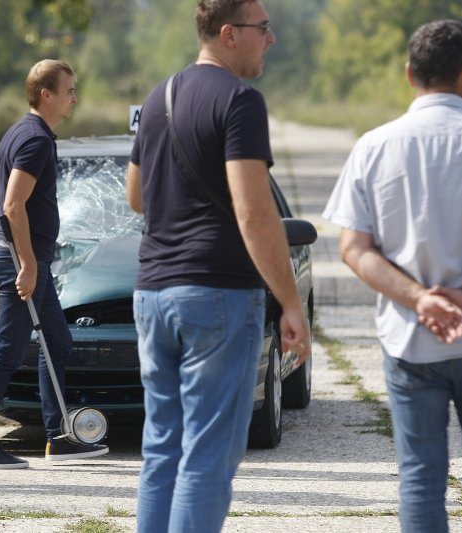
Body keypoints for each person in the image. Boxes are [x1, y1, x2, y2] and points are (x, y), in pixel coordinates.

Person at [125, 1, 311, 530]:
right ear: (229, 34)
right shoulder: (239, 100)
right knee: (208, 456)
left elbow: (135, 196)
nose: (270, 39)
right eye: (263, 29)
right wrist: (291, 303)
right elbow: (256, 213)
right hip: (216, 296)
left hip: (153, 294)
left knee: (163, 449)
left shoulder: (158, 96)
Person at [323, 19, 462, 533]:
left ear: (408, 73)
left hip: (409, 340)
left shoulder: (374, 146)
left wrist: (422, 300)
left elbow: (355, 250)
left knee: (420, 479)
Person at [0, 60, 109, 469]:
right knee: (8, 350)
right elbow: (12, 205)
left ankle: (58, 438)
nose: (75, 98)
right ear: (47, 94)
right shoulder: (34, 139)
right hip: (20, 259)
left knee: (57, 343)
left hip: (30, 258)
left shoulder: (28, 132)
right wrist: (27, 264)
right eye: (69, 91)